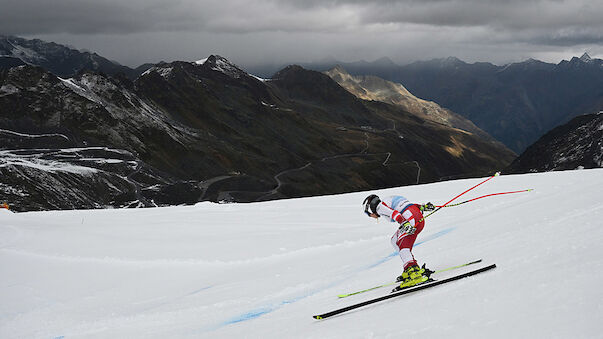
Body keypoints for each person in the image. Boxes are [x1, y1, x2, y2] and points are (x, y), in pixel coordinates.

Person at [363, 194, 435, 290]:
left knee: (403, 246)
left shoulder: (380, 207)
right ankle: (410, 266)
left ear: (371, 208)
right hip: (415, 217)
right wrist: (423, 207)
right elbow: (408, 205)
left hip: (410, 220)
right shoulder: (387, 201)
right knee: (394, 240)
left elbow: (394, 214)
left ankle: (414, 272)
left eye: (368, 214)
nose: (371, 216)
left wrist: (404, 223)